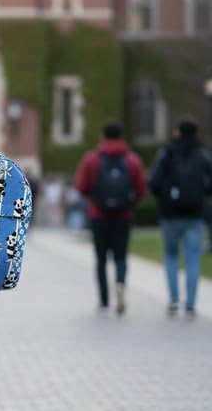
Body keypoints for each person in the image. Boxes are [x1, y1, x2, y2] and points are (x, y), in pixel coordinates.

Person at [75, 120, 146, 315]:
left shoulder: (91, 159)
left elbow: (81, 186)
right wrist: (129, 203)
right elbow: (140, 188)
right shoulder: (132, 160)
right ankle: (120, 285)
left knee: (100, 259)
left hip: (98, 216)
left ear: (103, 136)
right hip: (123, 216)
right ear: (121, 136)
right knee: (121, 257)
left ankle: (104, 300)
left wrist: (94, 198)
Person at [150, 116, 212, 318]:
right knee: (193, 258)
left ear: (177, 131)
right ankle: (191, 304)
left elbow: (154, 182)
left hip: (170, 215)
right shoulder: (202, 155)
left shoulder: (166, 154)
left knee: (170, 256)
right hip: (195, 214)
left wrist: (165, 199)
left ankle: (174, 300)